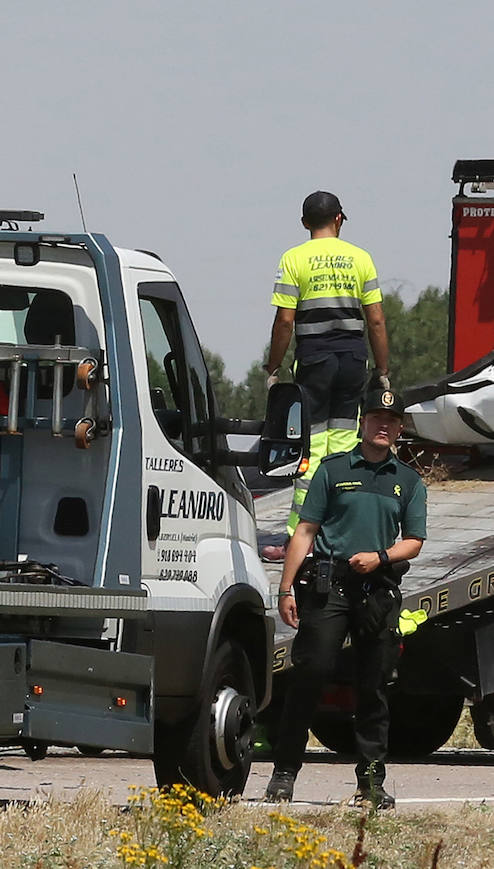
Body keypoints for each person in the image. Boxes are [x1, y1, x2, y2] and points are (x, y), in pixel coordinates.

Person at [262, 386, 426, 809]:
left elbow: (414, 541)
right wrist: (285, 586)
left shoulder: (407, 481)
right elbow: (305, 531)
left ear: (400, 429)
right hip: (328, 587)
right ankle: (283, 773)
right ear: (363, 423)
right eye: (376, 418)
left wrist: (380, 557)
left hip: (376, 590)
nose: (383, 426)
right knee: (308, 676)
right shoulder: (333, 470)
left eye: (391, 421)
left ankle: (370, 782)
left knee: (374, 686)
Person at [264, 191, 391, 537]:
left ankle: (301, 532)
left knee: (312, 445)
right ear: (339, 220)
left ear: (305, 223)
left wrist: (273, 367)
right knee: (346, 443)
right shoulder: (361, 258)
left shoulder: (293, 259)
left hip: (314, 360)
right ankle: (341, 527)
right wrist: (382, 371)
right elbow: (376, 320)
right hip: (353, 358)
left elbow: (285, 322)